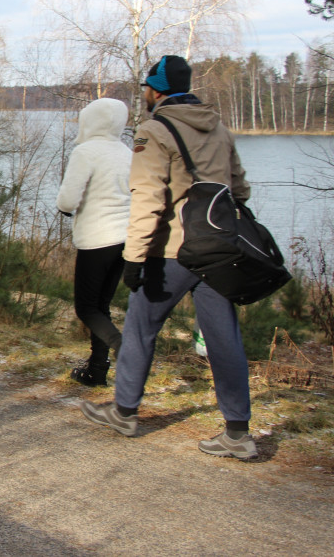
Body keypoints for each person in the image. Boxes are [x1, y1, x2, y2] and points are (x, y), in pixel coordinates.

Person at [79, 55, 257, 459]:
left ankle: (124, 412)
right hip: (218, 251)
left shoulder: (154, 130)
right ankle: (238, 433)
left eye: (145, 87)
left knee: (141, 327)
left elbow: (147, 198)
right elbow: (240, 189)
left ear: (156, 90)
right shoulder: (219, 127)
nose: (143, 94)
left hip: (173, 252)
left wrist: (135, 257)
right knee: (223, 337)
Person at [56, 98, 131, 386]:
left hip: (97, 238)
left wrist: (65, 208)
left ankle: (122, 347)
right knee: (102, 304)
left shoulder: (86, 151)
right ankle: (97, 369)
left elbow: (68, 198)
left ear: (91, 121)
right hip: (125, 239)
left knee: (86, 308)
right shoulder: (126, 152)